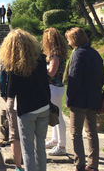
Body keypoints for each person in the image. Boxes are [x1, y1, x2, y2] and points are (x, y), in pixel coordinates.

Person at [0, 29, 50, 171]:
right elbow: (46, 83)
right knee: (40, 146)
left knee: (27, 148)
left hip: (27, 109)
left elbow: (11, 91)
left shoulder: (14, 64)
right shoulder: (40, 58)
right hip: (44, 106)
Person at [65, 27, 104, 171]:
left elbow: (74, 79)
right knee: (92, 132)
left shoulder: (78, 54)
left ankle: (79, 164)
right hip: (93, 98)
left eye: (69, 40)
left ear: (74, 40)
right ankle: (93, 165)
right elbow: (101, 76)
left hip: (79, 100)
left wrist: (69, 99)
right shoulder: (95, 53)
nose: (68, 43)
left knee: (75, 133)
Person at [42, 28, 69, 156]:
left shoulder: (54, 54)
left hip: (54, 87)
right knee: (55, 114)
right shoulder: (61, 52)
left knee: (58, 117)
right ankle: (55, 140)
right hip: (58, 87)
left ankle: (61, 145)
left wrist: (41, 71)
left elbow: (51, 72)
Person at [0, 66, 23, 171]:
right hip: (30, 99)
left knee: (14, 135)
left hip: (13, 98)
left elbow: (2, 79)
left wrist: (3, 94)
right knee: (30, 134)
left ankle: (18, 167)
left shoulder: (7, 60)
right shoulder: (34, 57)